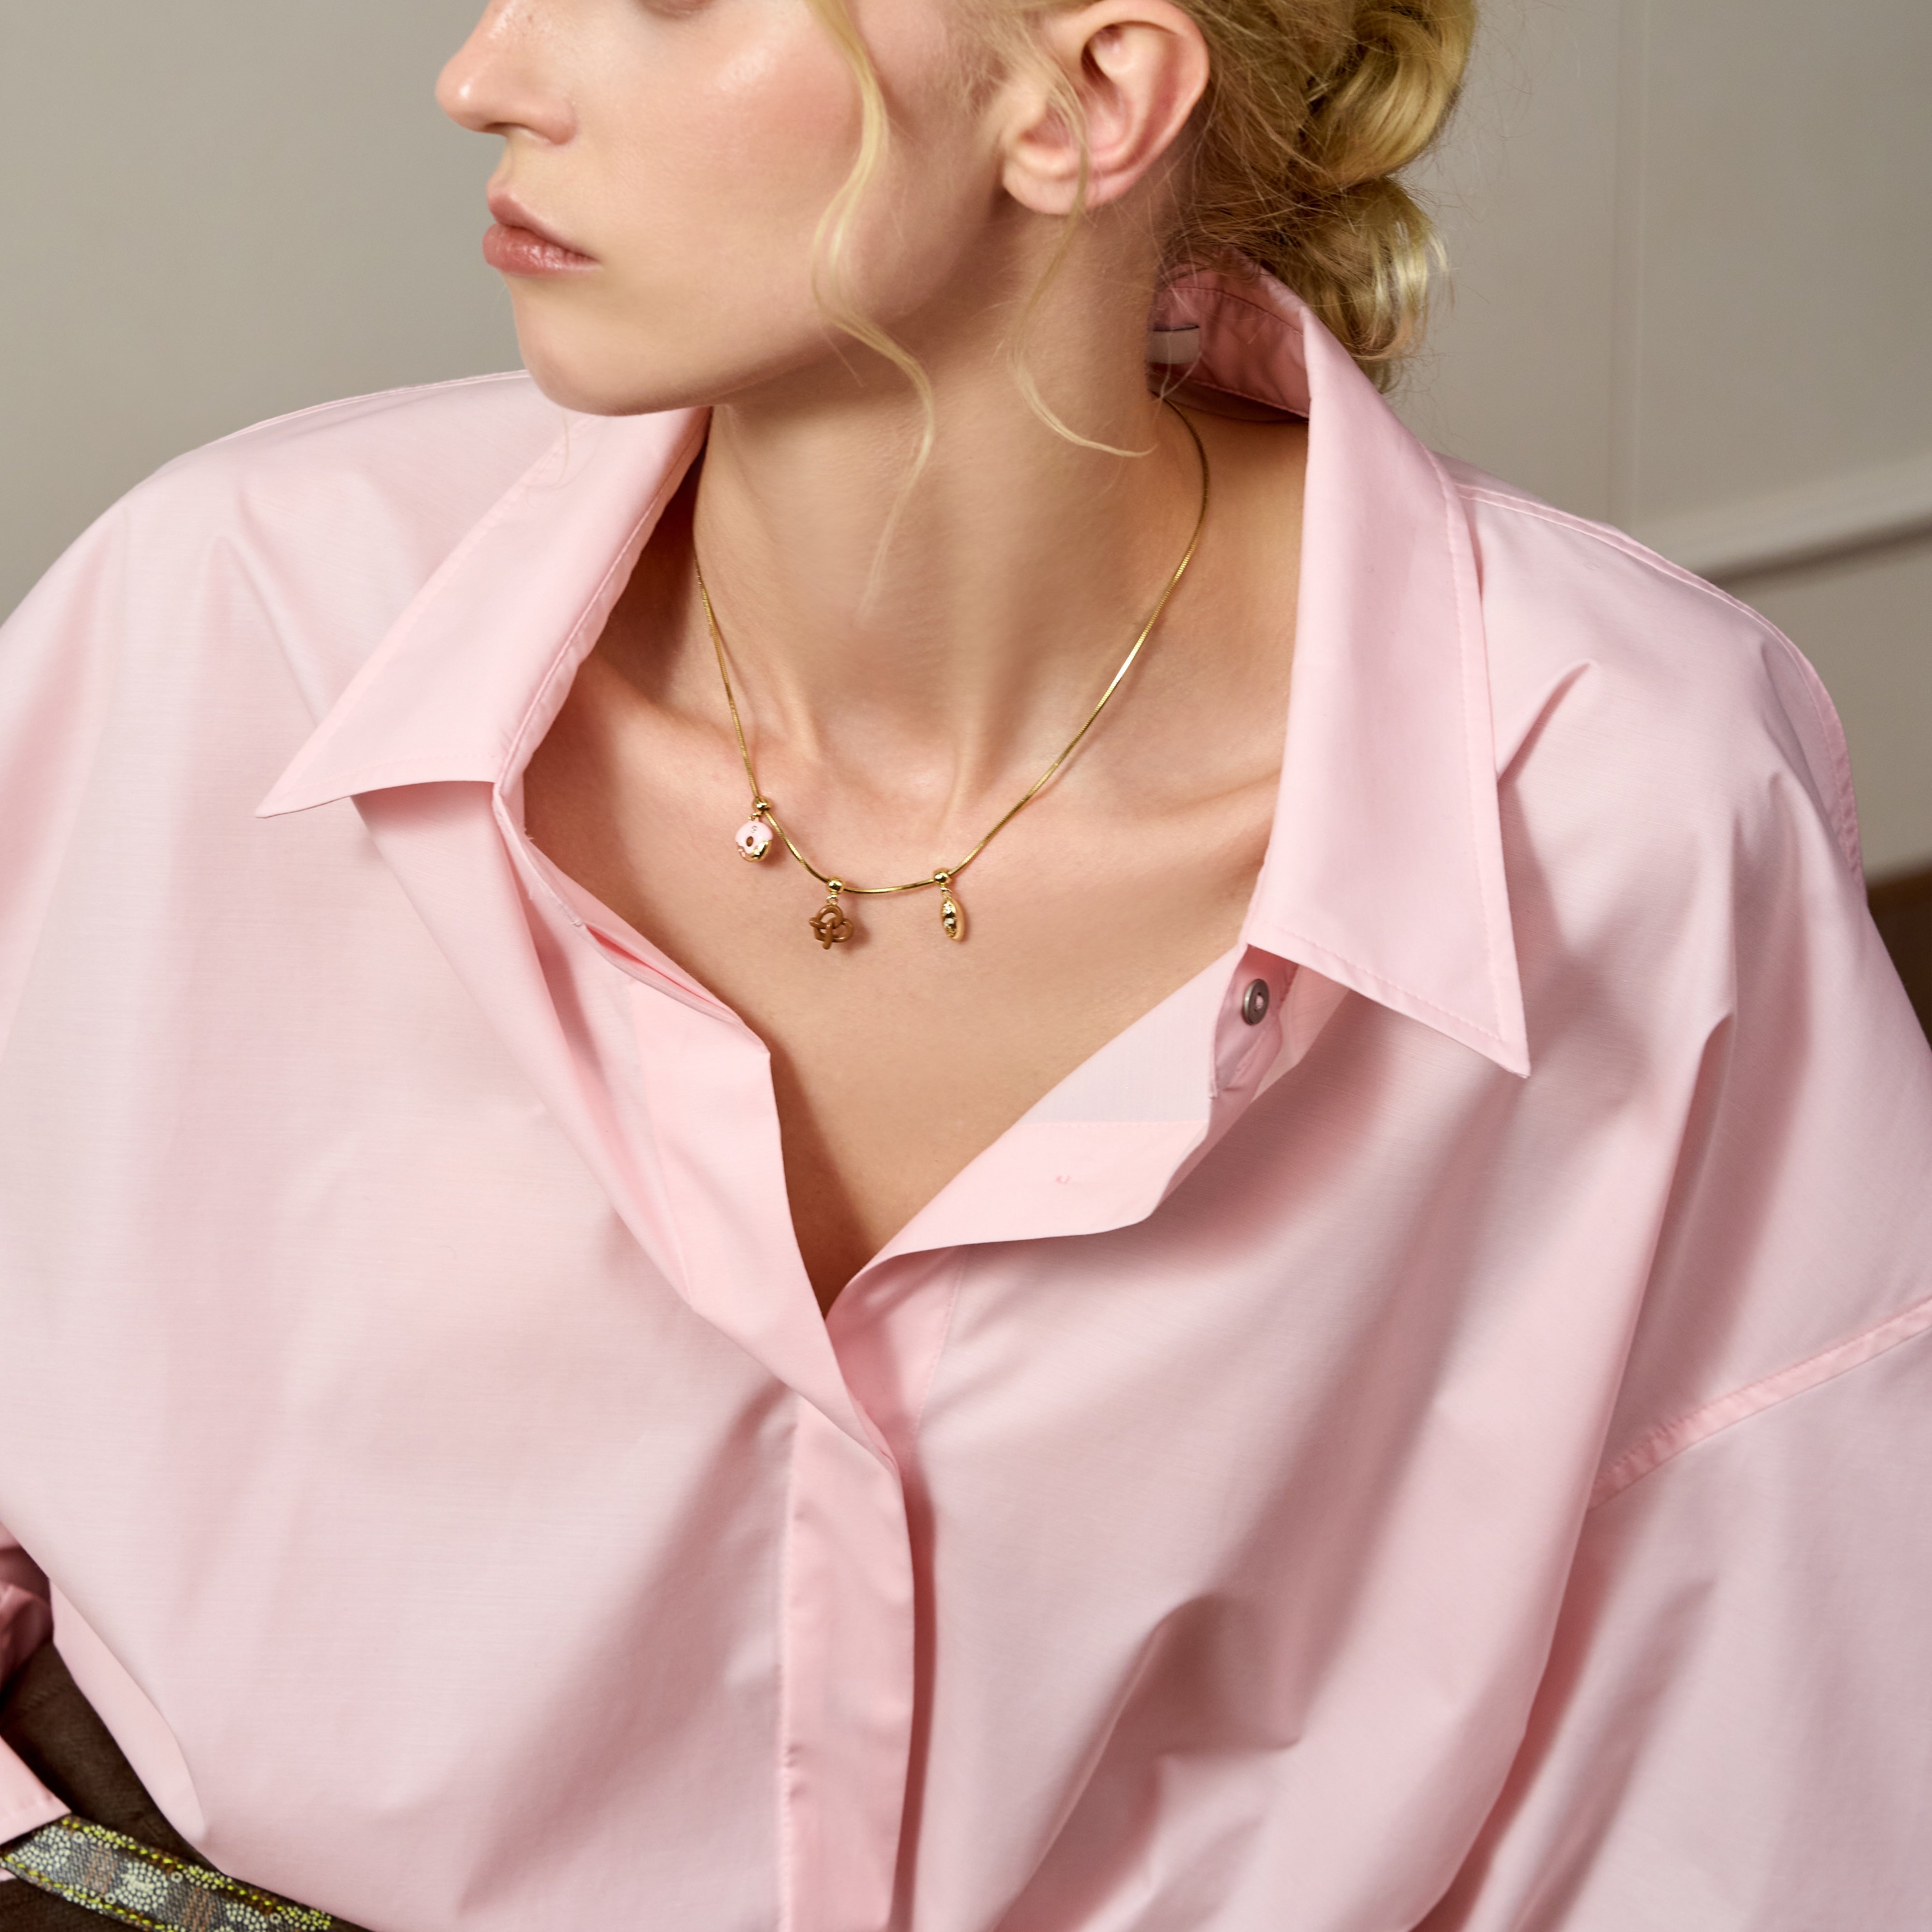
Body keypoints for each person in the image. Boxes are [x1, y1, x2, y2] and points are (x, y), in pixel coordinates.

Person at [1, 0, 1928, 1925]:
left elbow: (1752, 1771)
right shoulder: (218, 628)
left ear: (1086, 99)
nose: (486, 73)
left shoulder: (1618, 797)